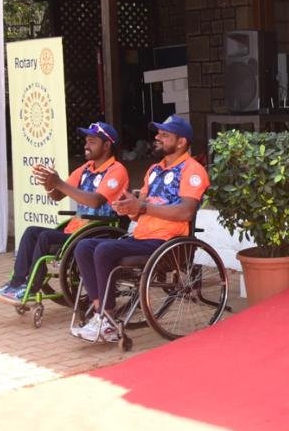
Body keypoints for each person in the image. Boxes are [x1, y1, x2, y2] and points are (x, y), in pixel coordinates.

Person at [71, 114, 210, 342]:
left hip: (167, 241)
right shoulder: (154, 170)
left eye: (165, 135)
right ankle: (101, 314)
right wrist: (127, 206)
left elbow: (186, 212)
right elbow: (138, 210)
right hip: (141, 236)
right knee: (83, 246)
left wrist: (142, 207)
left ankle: (107, 320)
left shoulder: (192, 170)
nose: (157, 138)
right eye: (158, 133)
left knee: (104, 250)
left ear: (181, 142)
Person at [0, 122, 128, 303]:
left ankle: (32, 286)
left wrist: (58, 182)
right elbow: (57, 195)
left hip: (99, 231)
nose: (86, 145)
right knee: (31, 232)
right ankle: (16, 283)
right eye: (86, 141)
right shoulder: (86, 169)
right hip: (78, 229)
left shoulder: (117, 170)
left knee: (45, 237)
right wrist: (49, 183)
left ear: (107, 145)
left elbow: (95, 201)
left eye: (92, 142)